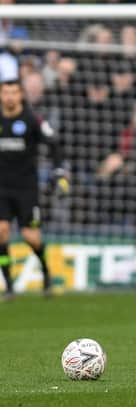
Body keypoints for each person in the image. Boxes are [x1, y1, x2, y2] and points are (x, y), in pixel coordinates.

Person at [0, 80, 66, 299]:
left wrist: (57, 170)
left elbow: (53, 143)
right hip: (1, 189)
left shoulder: (32, 119)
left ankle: (46, 272)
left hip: (26, 188)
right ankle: (8, 284)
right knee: (1, 232)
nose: (9, 97)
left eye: (13, 92)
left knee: (31, 236)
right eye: (5, 92)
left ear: (20, 95)